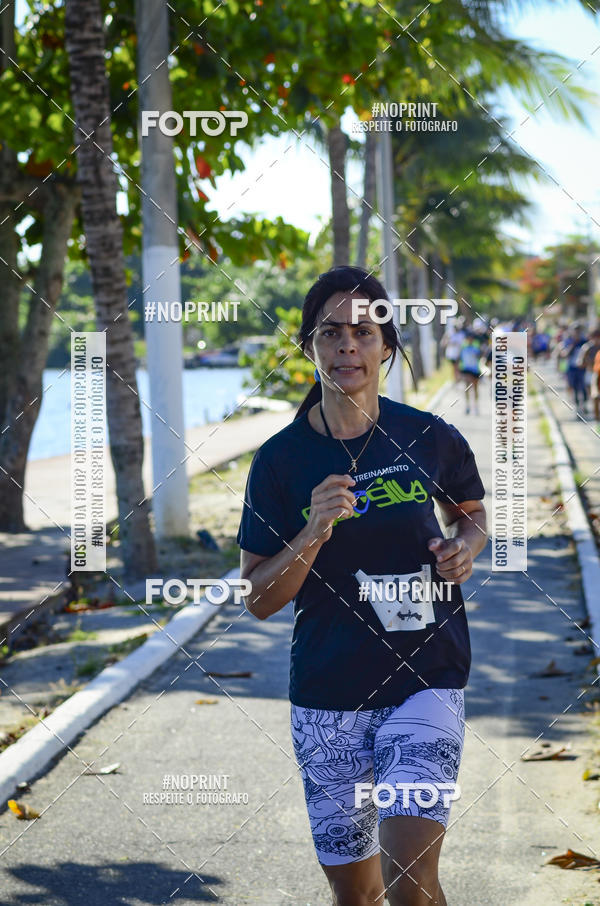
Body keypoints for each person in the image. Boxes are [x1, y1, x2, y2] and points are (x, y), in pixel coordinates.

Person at [237, 266, 487, 906]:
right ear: (310, 347)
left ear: (387, 348)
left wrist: (465, 548)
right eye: (331, 332)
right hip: (328, 694)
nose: (348, 344)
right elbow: (259, 598)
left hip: (425, 677)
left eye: (364, 331)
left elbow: (472, 513)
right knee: (356, 895)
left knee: (410, 876)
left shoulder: (429, 437)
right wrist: (314, 529)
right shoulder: (280, 461)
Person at [457, 329, 483, 415]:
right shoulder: (463, 346)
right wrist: (459, 371)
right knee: (466, 388)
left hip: (475, 369)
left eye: (471, 338)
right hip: (466, 369)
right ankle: (467, 406)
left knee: (475, 388)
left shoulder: (476, 345)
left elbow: (480, 356)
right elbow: (459, 357)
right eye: (468, 338)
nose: (470, 339)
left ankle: (476, 406)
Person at [578, 326, 600, 426]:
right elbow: (580, 362)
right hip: (592, 374)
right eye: (595, 337)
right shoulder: (587, 348)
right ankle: (596, 419)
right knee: (594, 397)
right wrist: (590, 363)